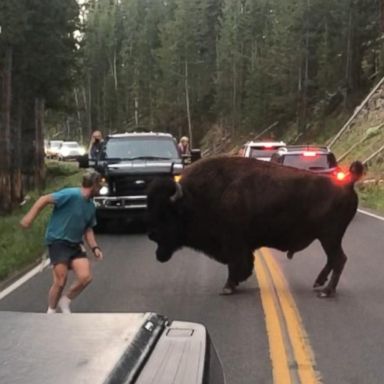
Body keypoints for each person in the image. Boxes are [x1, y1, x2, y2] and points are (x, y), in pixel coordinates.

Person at [20, 171, 104, 314]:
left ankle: (65, 301)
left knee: (85, 277)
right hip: (58, 240)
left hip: (75, 244)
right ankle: (51, 311)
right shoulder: (71, 195)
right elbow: (44, 199)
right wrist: (29, 218)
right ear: (93, 186)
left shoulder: (90, 206)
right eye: (99, 186)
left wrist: (95, 247)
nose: (100, 190)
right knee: (60, 281)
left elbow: (88, 229)